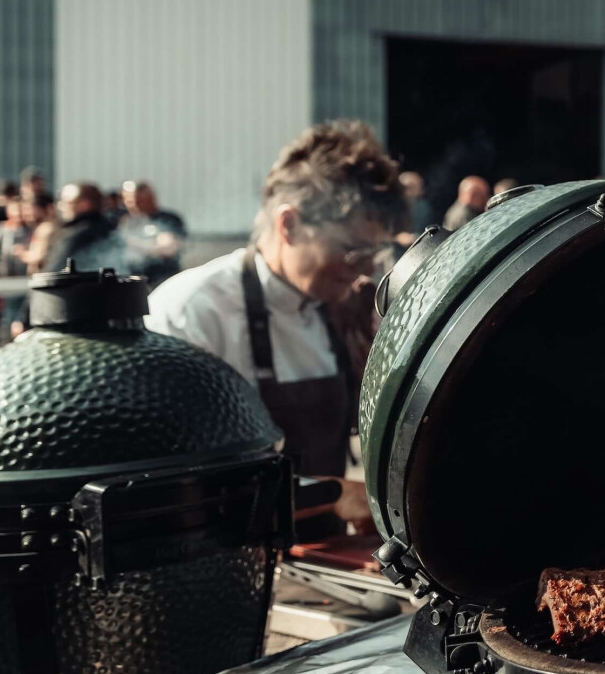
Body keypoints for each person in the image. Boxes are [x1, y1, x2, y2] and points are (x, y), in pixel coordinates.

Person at [148, 121, 403, 482]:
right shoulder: (191, 311)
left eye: (374, 252)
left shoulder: (339, 306)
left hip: (327, 537)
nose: (364, 269)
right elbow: (178, 476)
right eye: (352, 250)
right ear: (289, 225)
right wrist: (326, 496)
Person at [0, 195, 36, 335]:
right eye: (14, 210)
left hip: (28, 277)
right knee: (10, 314)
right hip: (9, 277)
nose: (18, 213)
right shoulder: (3, 228)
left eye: (21, 209)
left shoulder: (32, 228)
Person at [117, 180, 188, 287]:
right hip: (135, 281)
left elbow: (169, 248)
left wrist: (136, 244)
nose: (131, 205)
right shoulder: (128, 221)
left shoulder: (168, 219)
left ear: (150, 198)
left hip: (163, 280)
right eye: (127, 201)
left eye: (136, 200)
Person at [43, 182, 120, 273]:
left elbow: (52, 274)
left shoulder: (75, 237)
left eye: (66, 202)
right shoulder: (114, 230)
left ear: (84, 205)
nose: (60, 207)